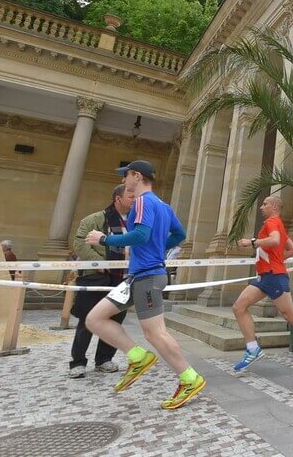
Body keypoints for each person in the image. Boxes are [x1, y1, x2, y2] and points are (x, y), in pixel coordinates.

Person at [83, 160, 203, 410]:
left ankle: (190, 378)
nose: (124, 180)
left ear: (136, 176)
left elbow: (140, 235)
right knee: (94, 319)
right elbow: (180, 235)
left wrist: (103, 238)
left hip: (147, 276)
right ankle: (138, 357)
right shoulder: (164, 205)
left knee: (155, 333)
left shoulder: (142, 201)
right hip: (138, 277)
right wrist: (161, 247)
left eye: (126, 176)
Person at [232, 195, 293, 373]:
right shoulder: (277, 224)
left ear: (275, 206)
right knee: (239, 307)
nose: (261, 207)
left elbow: (275, 240)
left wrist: (251, 242)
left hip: (274, 276)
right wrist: (276, 260)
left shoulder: (272, 223)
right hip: (265, 276)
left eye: (265, 204)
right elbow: (292, 249)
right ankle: (253, 348)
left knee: (289, 314)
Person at [69, 184, 135, 378]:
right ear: (118, 198)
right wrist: (98, 262)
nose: (134, 200)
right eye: (130, 196)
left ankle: (104, 359)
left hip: (124, 278)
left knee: (115, 320)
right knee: (87, 320)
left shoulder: (135, 222)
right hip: (97, 277)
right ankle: (78, 362)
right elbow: (80, 242)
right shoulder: (95, 219)